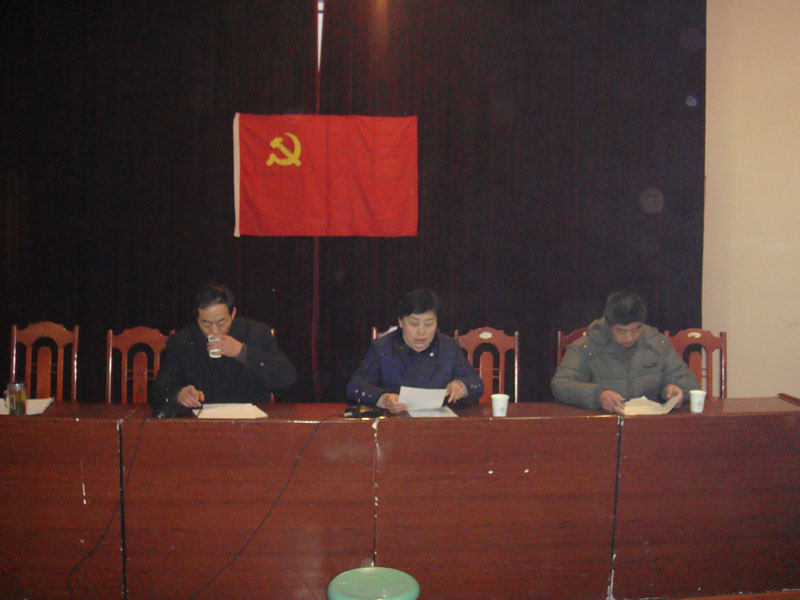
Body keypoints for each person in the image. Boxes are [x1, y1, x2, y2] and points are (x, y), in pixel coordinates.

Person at [151, 283, 296, 410]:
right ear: (196, 317)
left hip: (250, 422)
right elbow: (157, 390)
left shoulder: (255, 333)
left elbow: (287, 379)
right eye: (206, 323)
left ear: (233, 314)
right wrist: (178, 395)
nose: (214, 331)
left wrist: (242, 352)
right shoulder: (183, 341)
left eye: (221, 322)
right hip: (201, 423)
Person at [551, 290, 697, 415]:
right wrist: (598, 396)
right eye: (621, 331)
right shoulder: (586, 347)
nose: (629, 337)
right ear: (608, 326)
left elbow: (689, 381)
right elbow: (561, 385)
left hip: (649, 424)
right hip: (602, 422)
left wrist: (675, 390)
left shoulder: (657, 344)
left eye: (636, 329)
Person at [346, 289, 484, 414]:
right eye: (414, 323)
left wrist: (461, 386)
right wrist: (384, 399)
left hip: (439, 424)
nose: (421, 331)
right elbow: (355, 387)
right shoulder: (383, 348)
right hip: (394, 425)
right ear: (401, 322)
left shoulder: (448, 347)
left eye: (429, 324)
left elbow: (476, 383)